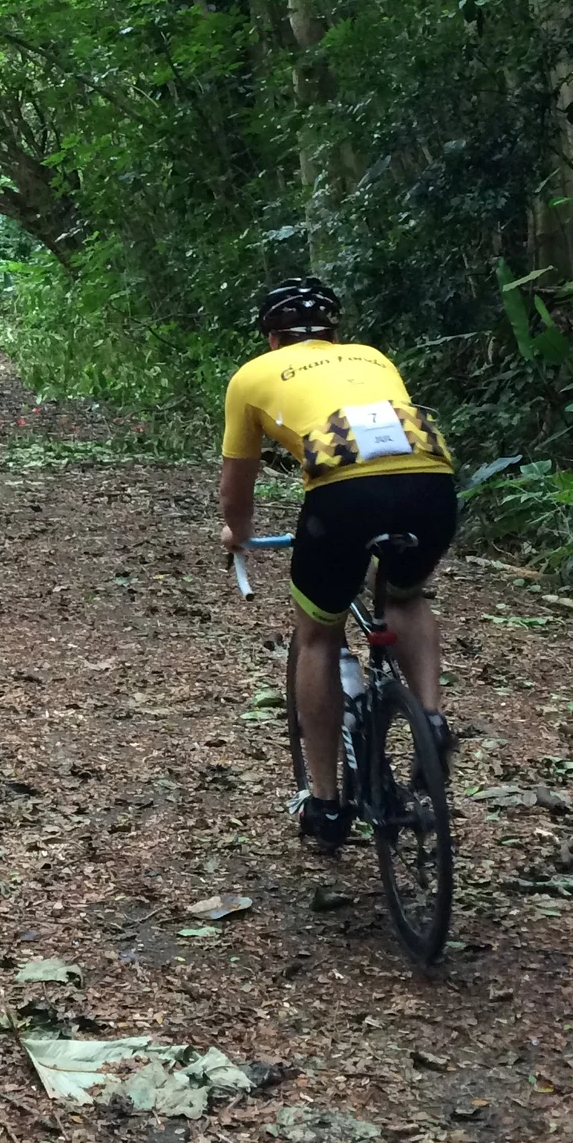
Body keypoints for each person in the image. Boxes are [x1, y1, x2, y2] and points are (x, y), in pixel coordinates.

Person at [215, 276, 458, 853]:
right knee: (403, 596)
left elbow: (235, 491)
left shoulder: (251, 376)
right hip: (432, 480)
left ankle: (326, 804)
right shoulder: (373, 357)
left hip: (345, 494)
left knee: (319, 635)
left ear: (271, 336)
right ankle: (431, 718)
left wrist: (238, 534)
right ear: (334, 332)